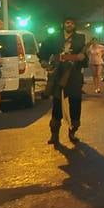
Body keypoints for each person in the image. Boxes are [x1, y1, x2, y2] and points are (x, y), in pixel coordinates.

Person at [39, 17, 87, 145]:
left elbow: (84, 58)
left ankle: (73, 131)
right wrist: (44, 61)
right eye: (67, 22)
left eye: (72, 23)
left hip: (74, 73)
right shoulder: (54, 37)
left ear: (74, 25)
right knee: (57, 104)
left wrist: (83, 57)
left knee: (75, 102)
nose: (69, 24)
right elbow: (44, 50)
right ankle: (54, 134)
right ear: (63, 24)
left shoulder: (80, 38)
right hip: (58, 73)